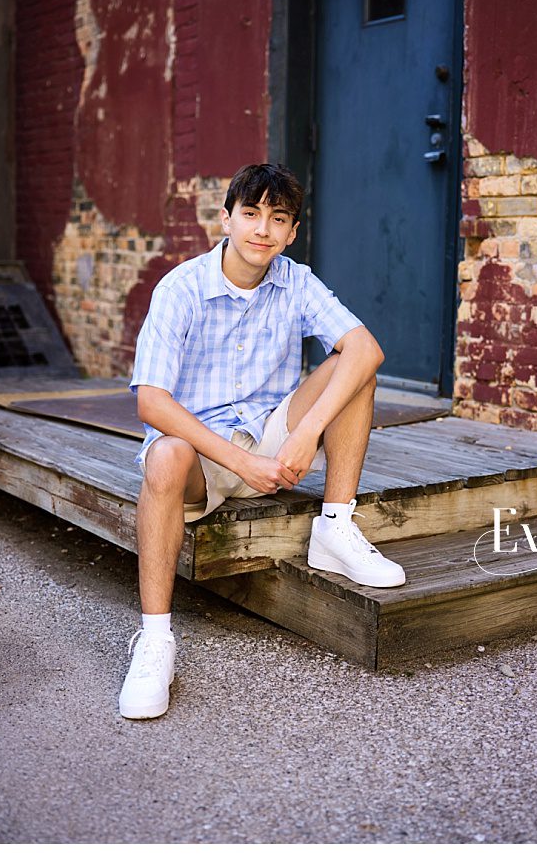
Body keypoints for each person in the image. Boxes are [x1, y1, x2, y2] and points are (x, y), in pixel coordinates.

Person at [120, 162, 404, 720]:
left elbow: (366, 348)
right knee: (167, 451)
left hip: (271, 435)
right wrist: (241, 462)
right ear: (226, 219)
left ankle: (335, 525)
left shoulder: (295, 281)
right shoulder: (180, 289)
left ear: (292, 232)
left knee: (356, 364)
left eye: (278, 219)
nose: (262, 230)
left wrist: (303, 435)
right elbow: (151, 403)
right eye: (250, 214)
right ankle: (155, 641)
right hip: (203, 455)